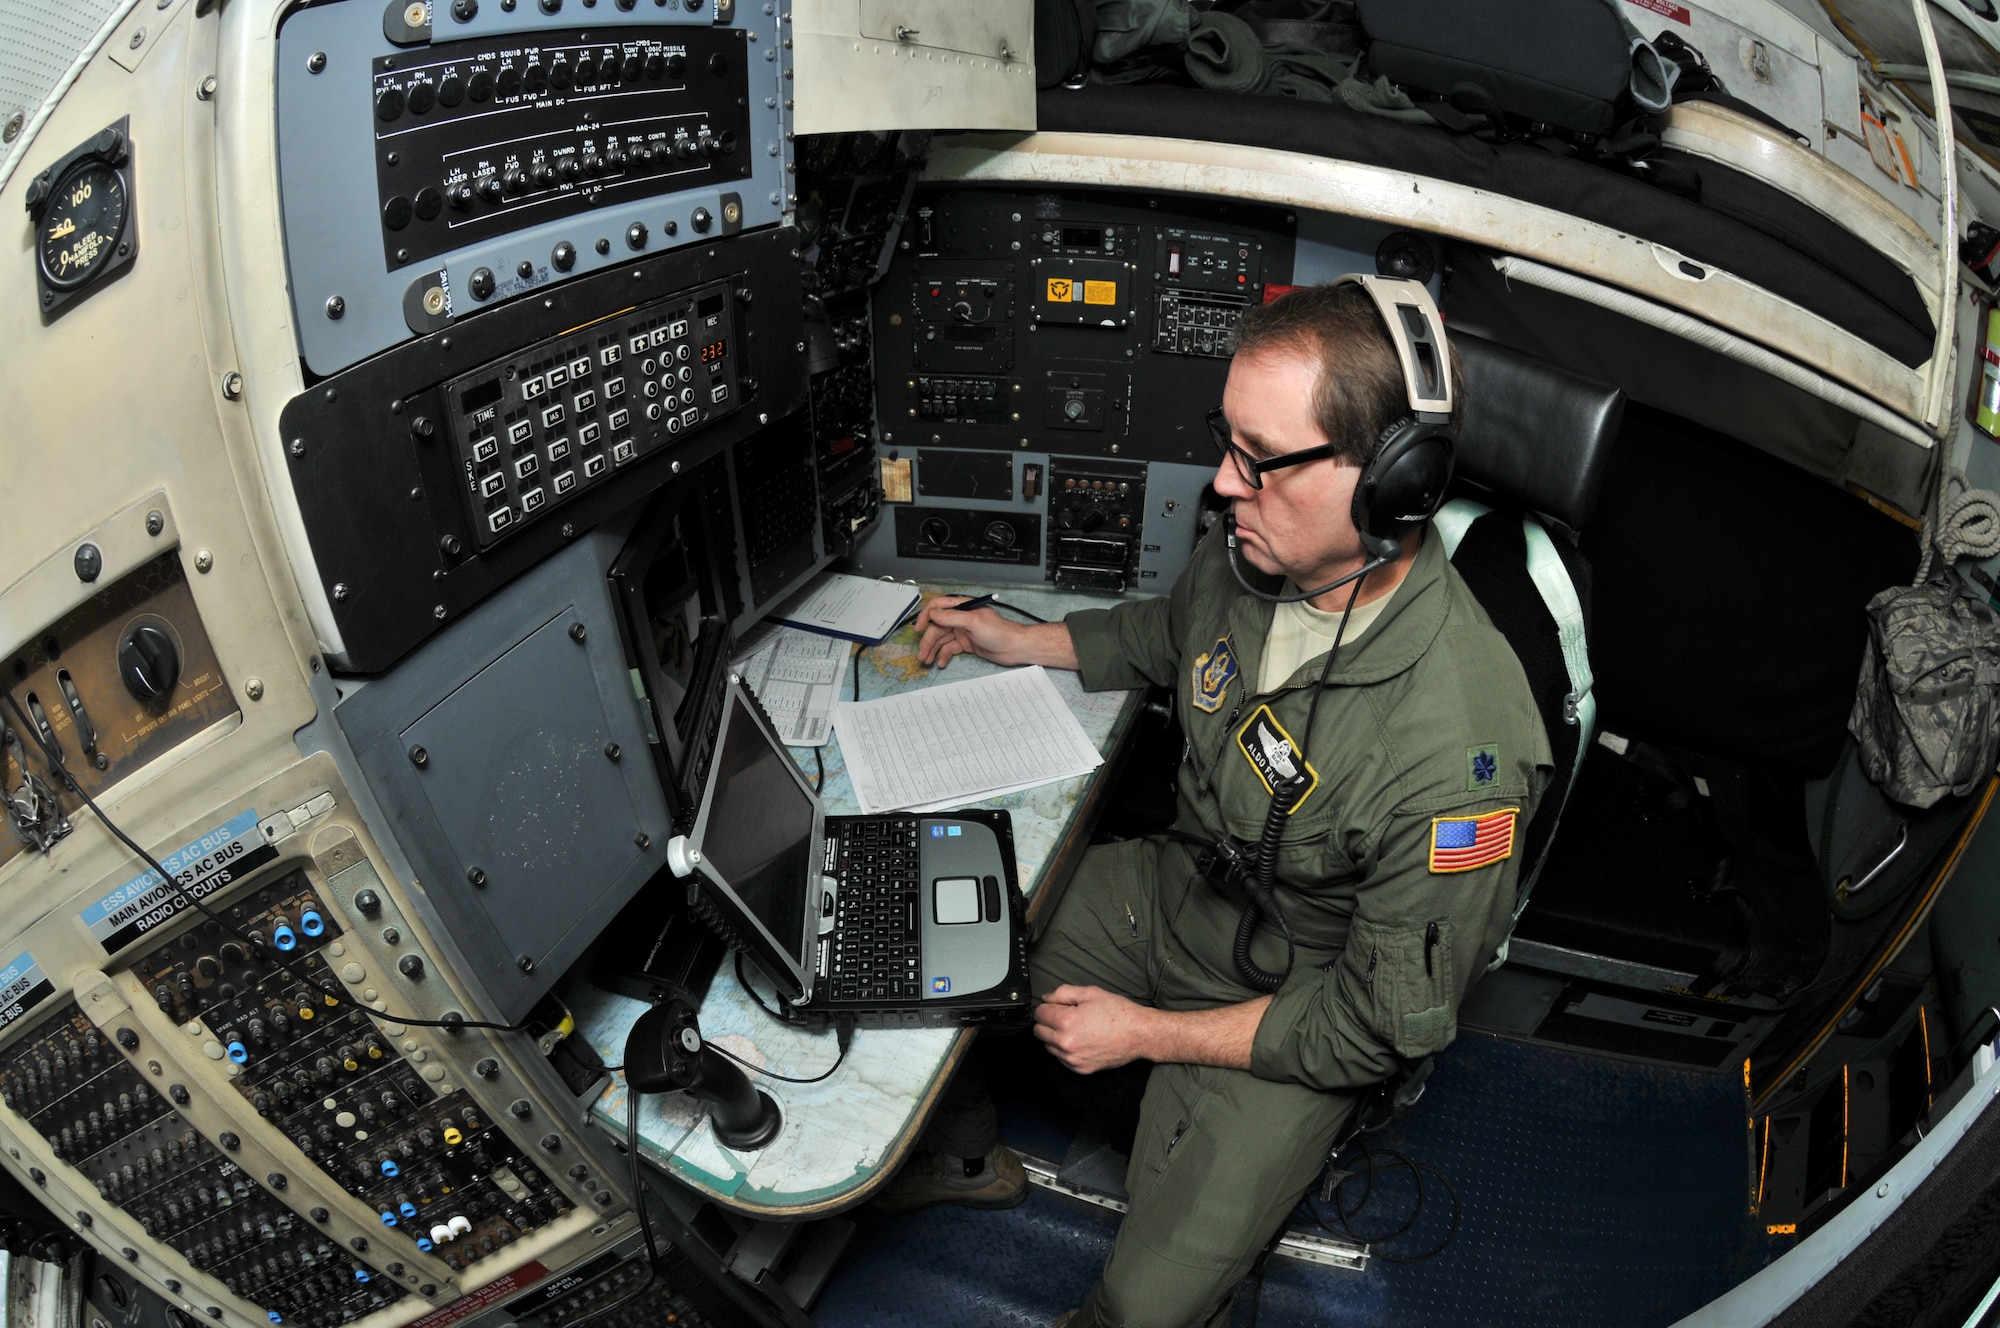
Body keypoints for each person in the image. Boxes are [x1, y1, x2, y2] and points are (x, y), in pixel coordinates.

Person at [886, 281, 1552, 1328]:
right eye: (1225, 441)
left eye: (1260, 457)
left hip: (1298, 1000)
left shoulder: (1457, 757)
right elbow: (1167, 633)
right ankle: (963, 1147)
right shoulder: (1254, 555)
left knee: (1150, 1304)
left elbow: (1375, 1028)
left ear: (1390, 486)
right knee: (940, 917)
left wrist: (1145, 1030)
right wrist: (1016, 638)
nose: (1220, 481)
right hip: (1175, 894)